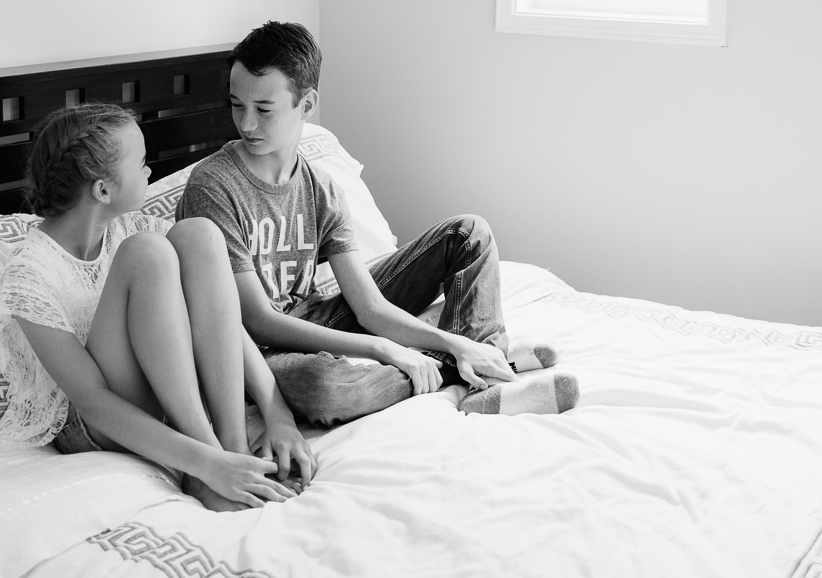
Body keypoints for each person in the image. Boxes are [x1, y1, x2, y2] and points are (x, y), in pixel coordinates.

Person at [176, 21, 578, 428]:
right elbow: (257, 321)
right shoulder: (213, 186)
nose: (246, 124)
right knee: (327, 386)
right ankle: (480, 361)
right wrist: (385, 349)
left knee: (468, 233)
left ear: (306, 104)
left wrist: (444, 340)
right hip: (253, 351)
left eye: (263, 110)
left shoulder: (321, 188)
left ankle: (477, 365)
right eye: (236, 104)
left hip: (317, 318)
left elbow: (369, 307)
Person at [0, 102, 314, 511]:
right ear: (103, 190)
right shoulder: (31, 273)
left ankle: (234, 446)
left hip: (160, 397)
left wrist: (278, 412)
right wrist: (207, 463)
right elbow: (93, 403)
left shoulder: (129, 226)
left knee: (199, 234)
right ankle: (208, 464)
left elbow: (221, 316)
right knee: (147, 253)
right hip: (94, 422)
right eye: (141, 164)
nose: (150, 172)